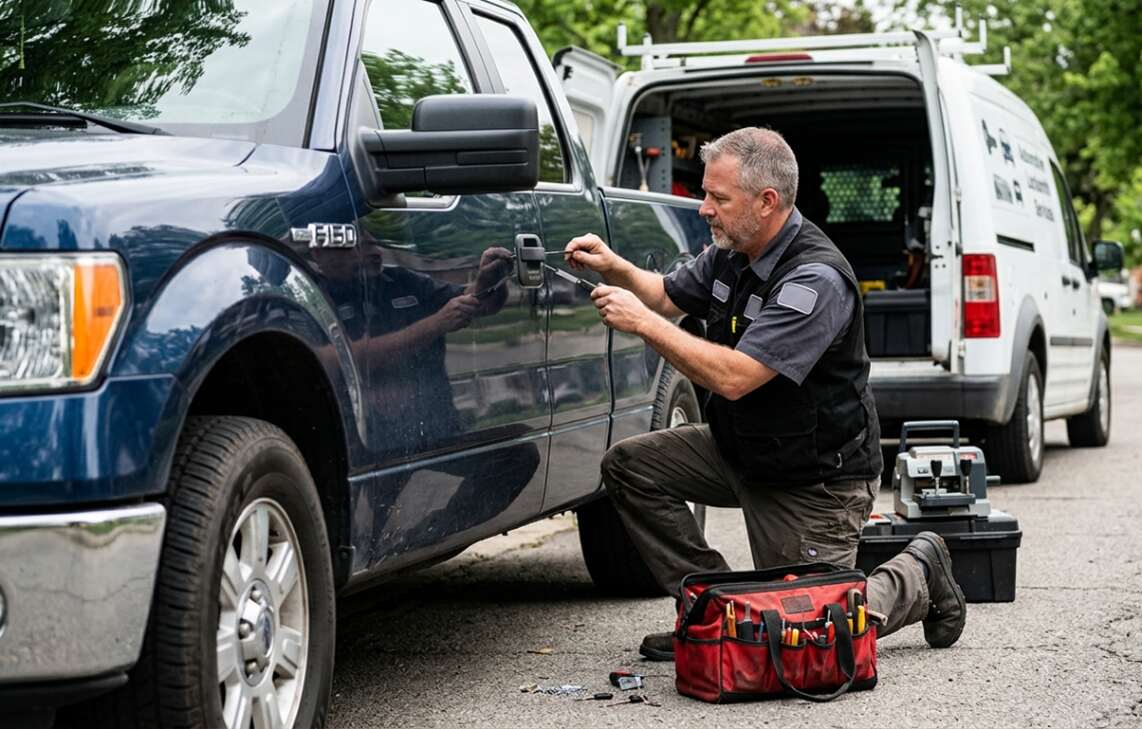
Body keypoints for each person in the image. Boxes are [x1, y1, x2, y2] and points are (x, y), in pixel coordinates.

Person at [563, 127, 966, 661]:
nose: (705, 209)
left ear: (767, 201)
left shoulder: (814, 279)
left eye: (718, 198)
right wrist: (615, 266)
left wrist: (641, 325)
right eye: (706, 194)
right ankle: (715, 612)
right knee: (629, 466)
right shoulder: (735, 249)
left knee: (812, 634)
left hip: (814, 479)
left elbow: (734, 376)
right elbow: (665, 295)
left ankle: (919, 569)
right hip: (745, 449)